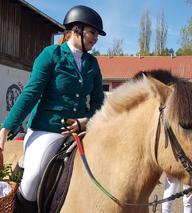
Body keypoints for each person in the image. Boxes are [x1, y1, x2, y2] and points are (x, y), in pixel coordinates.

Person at [0, 5, 106, 212]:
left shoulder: (92, 64)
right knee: (32, 179)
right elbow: (31, 93)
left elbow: (98, 102)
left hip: (83, 128)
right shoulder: (51, 55)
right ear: (76, 29)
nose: (96, 38)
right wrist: (6, 128)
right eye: (92, 32)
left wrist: (86, 121)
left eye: (97, 34)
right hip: (47, 128)